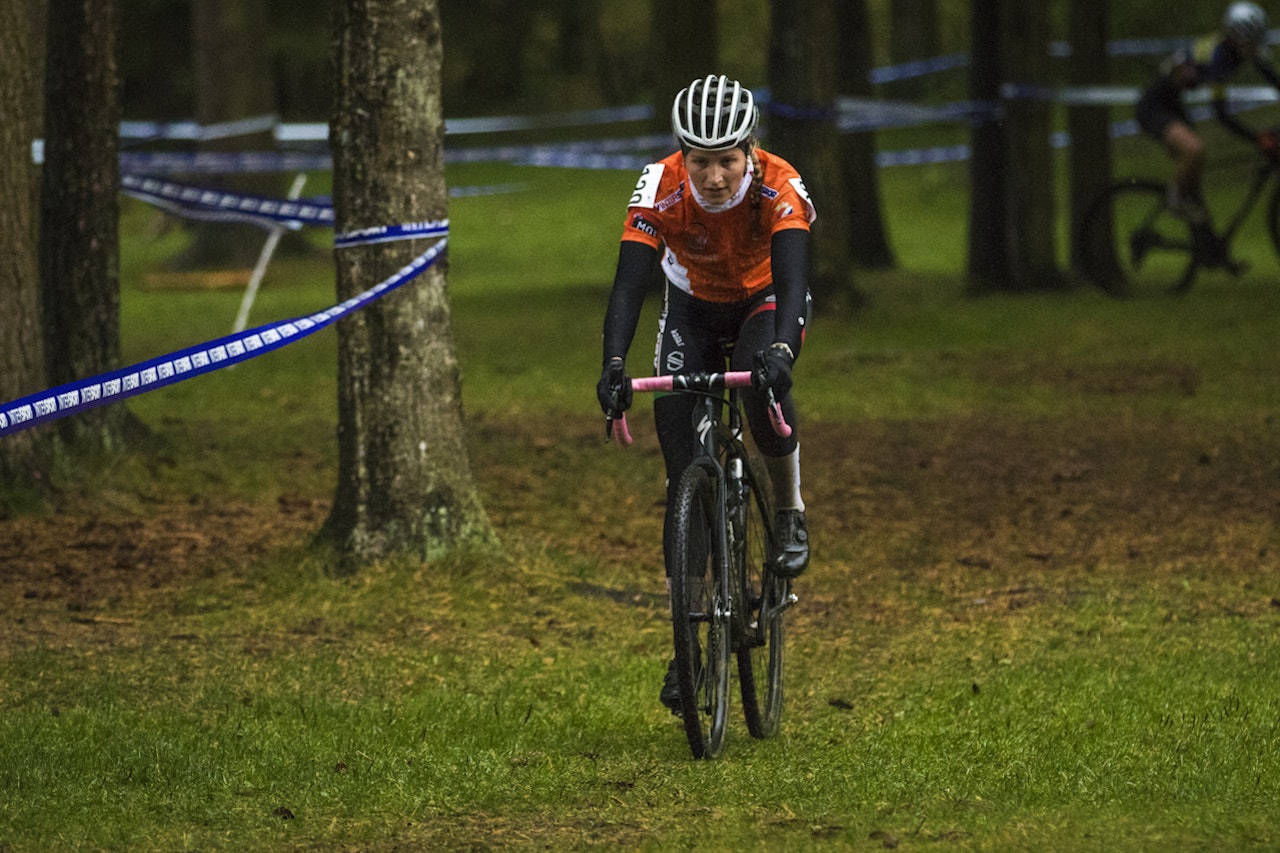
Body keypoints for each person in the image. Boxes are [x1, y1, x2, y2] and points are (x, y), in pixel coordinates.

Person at [595, 74, 816, 713]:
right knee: (680, 473)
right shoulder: (658, 186)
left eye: (727, 160)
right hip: (690, 306)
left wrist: (782, 351)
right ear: (681, 155)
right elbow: (629, 286)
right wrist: (613, 363)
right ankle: (688, 643)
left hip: (763, 299)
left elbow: (797, 280)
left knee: (759, 387)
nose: (714, 176)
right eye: (700, 161)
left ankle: (790, 509)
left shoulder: (781, 184)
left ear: (749, 152)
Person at [1136, 2, 1280, 264]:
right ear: (1236, 37)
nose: (1255, 49)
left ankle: (1211, 250)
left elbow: (1271, 77)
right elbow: (1221, 115)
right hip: (1154, 106)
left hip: (1174, 106)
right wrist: (1257, 138)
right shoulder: (1218, 58)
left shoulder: (1240, 50)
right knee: (1194, 150)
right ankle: (1174, 199)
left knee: (1196, 182)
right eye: (1251, 42)